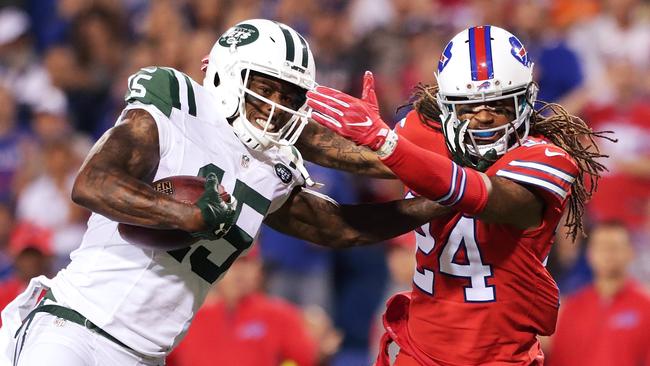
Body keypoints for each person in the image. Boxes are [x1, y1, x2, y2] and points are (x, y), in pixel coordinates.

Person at [0, 19, 447, 366]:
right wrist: (181, 214)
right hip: (73, 326)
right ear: (229, 76)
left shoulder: (274, 166)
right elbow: (92, 183)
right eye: (264, 88)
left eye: (289, 95)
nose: (275, 106)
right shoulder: (176, 105)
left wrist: (439, 199)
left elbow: (340, 228)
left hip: (143, 355)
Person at [306, 25, 609, 365]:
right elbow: (355, 158)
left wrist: (387, 143)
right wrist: (270, 121)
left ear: (526, 100)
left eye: (499, 104)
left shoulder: (547, 157)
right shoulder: (422, 133)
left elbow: (484, 196)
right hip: (419, 351)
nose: (483, 117)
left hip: (500, 357)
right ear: (447, 104)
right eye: (469, 106)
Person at [166, 249, 319, 366]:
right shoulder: (186, 315)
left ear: (259, 270)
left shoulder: (281, 314)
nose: (239, 273)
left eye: (247, 263)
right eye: (232, 264)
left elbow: (305, 359)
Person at [548, 221, 650, 366]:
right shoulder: (572, 308)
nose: (608, 254)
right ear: (590, 254)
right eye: (601, 247)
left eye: (614, 247)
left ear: (630, 252)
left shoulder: (646, 307)